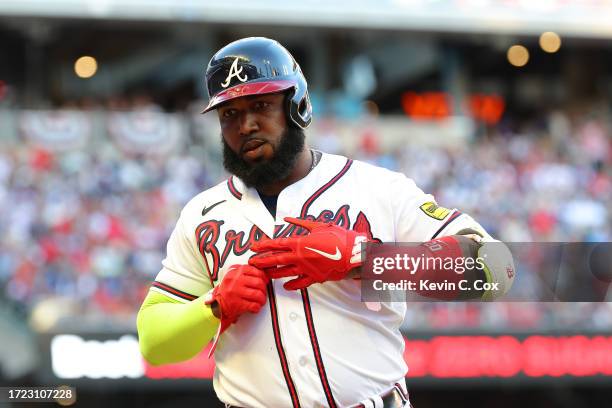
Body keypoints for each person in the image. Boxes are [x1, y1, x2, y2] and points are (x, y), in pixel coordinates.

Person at [137, 37, 515, 408]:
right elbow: (154, 342)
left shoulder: (376, 187)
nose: (246, 125)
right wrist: (213, 305)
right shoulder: (203, 214)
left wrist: (362, 259)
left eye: (262, 105)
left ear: (296, 105)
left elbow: (496, 270)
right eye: (230, 113)